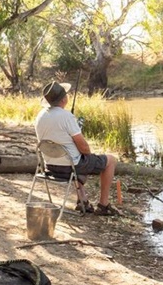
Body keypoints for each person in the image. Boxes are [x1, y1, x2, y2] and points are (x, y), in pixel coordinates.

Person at [34, 81, 120, 216]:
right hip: (70, 168)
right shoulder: (66, 116)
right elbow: (85, 148)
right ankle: (104, 204)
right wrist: (89, 156)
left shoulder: (40, 115)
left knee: (73, 158)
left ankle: (83, 201)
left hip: (49, 166)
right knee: (111, 160)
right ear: (64, 99)